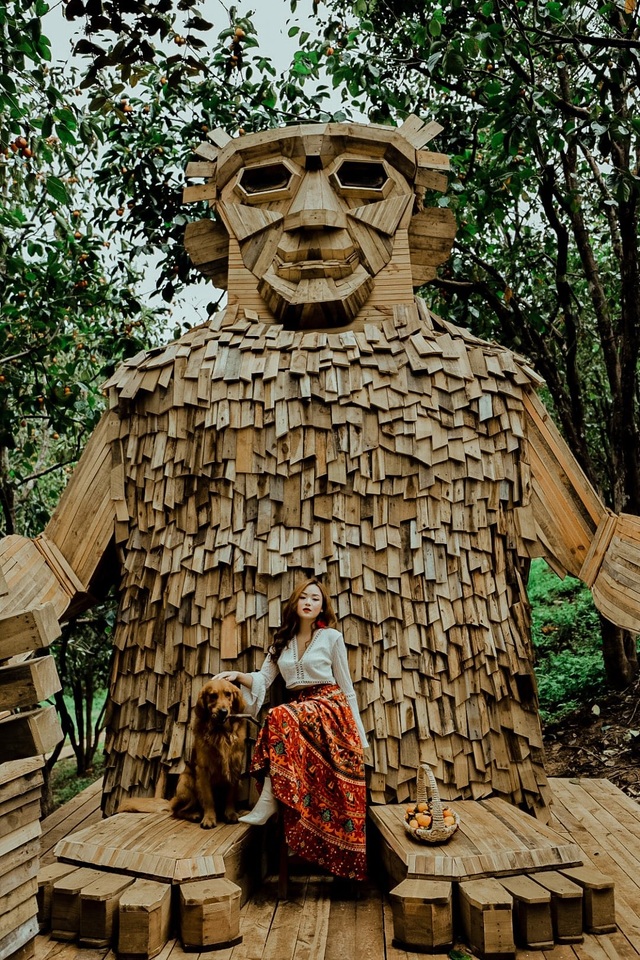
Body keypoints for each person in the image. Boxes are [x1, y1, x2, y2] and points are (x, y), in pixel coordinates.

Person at [214, 578, 368, 881]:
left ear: (322, 606)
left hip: (329, 706)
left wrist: (359, 734)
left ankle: (269, 797)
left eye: (315, 598)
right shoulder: (280, 643)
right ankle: (272, 795)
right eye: (304, 597)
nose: (309, 602)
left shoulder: (331, 637)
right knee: (280, 714)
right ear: (295, 603)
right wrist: (238, 676)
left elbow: (347, 688)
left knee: (280, 714)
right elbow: (263, 680)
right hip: (298, 712)